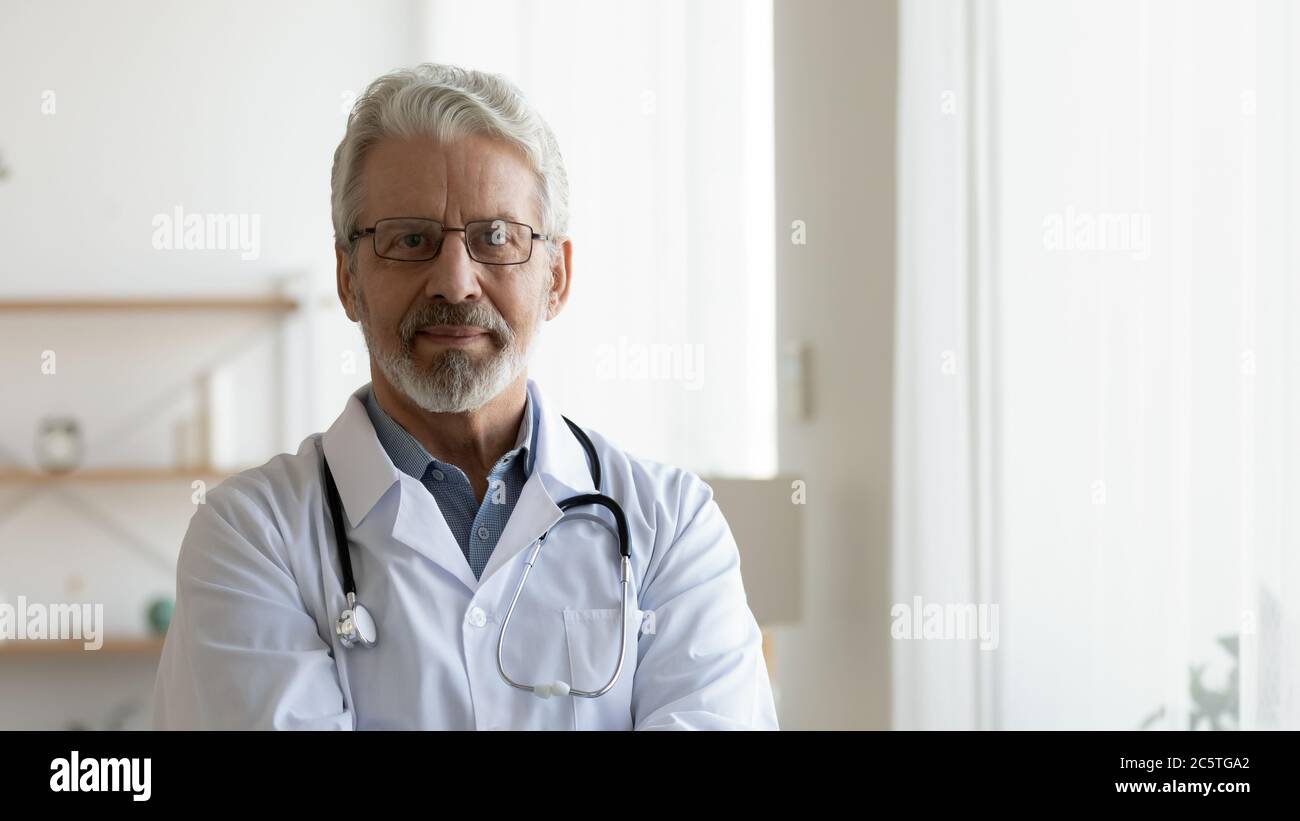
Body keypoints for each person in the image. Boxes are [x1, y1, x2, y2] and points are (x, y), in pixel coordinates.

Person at [153, 63, 778, 730]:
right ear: (347, 278)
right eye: (411, 240)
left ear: (557, 277)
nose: (455, 282)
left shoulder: (672, 525)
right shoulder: (252, 535)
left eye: (496, 238)